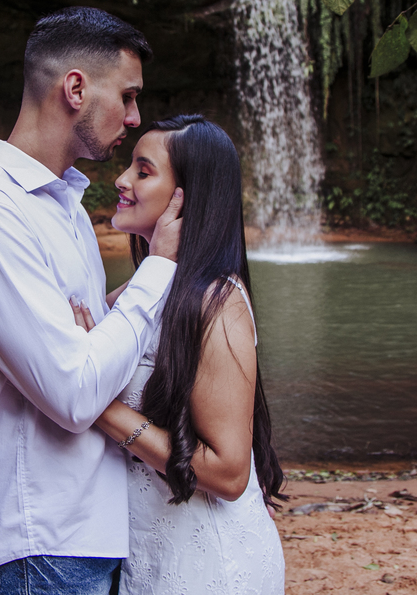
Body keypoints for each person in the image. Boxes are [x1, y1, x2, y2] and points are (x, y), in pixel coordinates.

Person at [0, 6, 184, 595]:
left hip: (90, 531)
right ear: (75, 89)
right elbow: (74, 392)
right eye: (128, 96)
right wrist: (159, 268)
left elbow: (88, 347)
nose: (135, 116)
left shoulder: (62, 204)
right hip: (38, 542)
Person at [71, 114, 286, 594]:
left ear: (186, 197)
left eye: (143, 171)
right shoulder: (142, 291)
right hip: (147, 554)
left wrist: (97, 405)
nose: (121, 180)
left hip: (209, 565)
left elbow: (229, 472)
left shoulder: (217, 302)